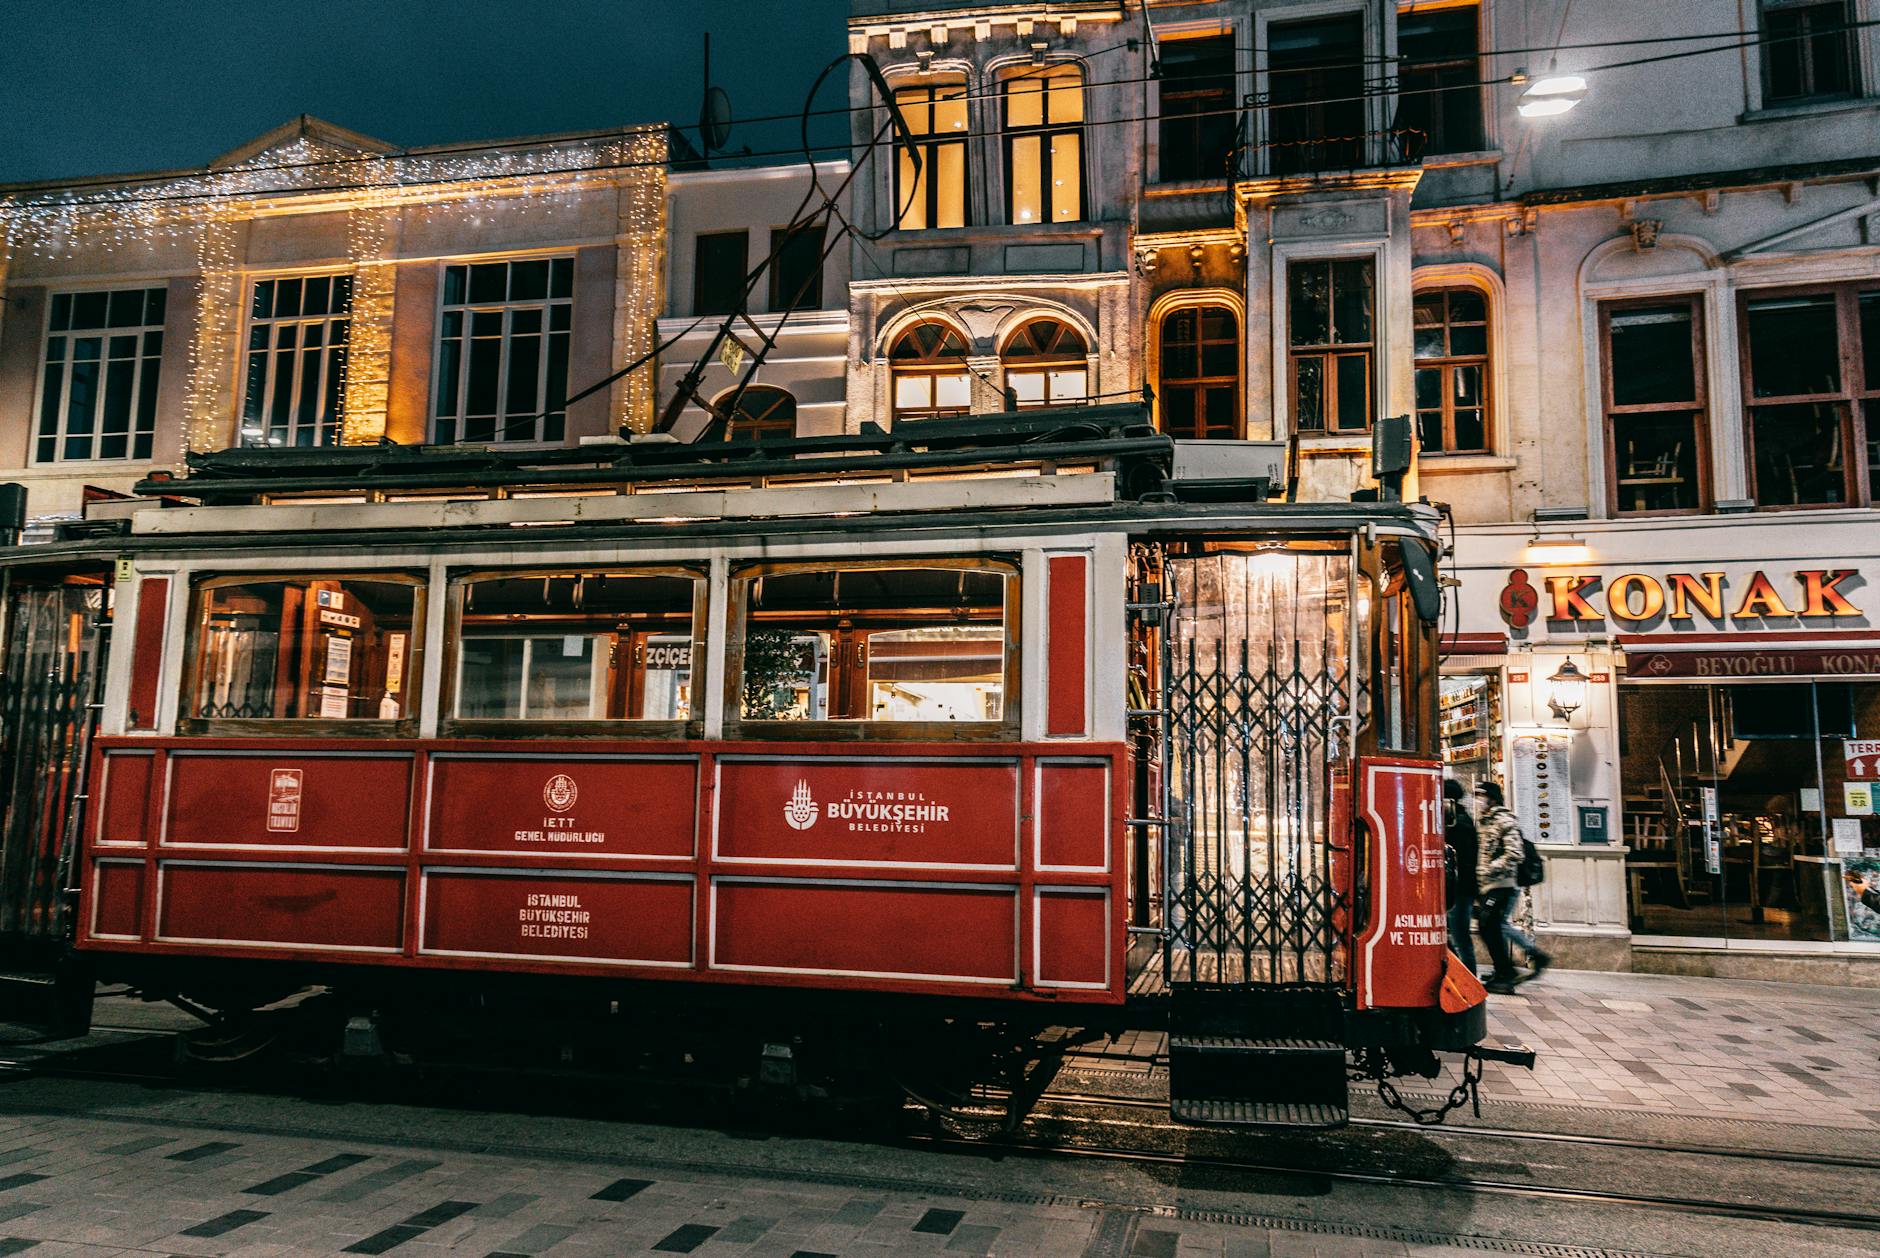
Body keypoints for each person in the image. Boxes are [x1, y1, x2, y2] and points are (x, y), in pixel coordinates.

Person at [1474, 781, 1552, 993]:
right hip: (1490, 884)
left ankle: (1508, 971)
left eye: (1482, 796)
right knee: (1493, 926)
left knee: (1490, 926)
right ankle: (1506, 969)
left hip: (1503, 883)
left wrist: (1487, 870)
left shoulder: (1504, 819)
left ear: (1492, 798)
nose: (1479, 800)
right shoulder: (1486, 821)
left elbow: (1514, 853)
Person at [1442, 778, 1479, 974]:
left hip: (1460, 890)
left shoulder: (1460, 824)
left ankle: (1469, 978)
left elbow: (1464, 860)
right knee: (1454, 936)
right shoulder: (1458, 821)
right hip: (1458, 888)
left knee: (1460, 937)